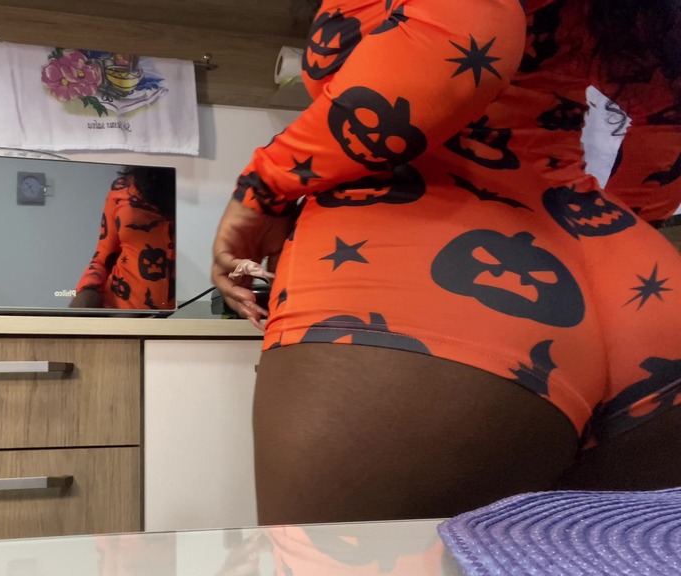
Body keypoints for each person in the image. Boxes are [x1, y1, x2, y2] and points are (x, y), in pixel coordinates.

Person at [212, 0, 681, 525]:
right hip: (639, 287)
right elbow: (661, 134)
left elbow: (468, 27)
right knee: (612, 558)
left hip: (423, 257)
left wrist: (264, 187)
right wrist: (611, 236)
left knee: (336, 560)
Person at [71, 167, 176, 310]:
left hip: (184, 316)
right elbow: (103, 259)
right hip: (118, 313)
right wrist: (84, 296)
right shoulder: (123, 188)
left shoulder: (198, 192)